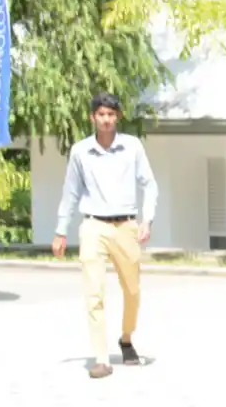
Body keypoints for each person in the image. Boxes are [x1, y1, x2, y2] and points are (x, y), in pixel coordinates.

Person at [51, 92, 159, 379]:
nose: (106, 120)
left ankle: (126, 338)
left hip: (126, 226)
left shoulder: (132, 147)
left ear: (117, 117)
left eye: (111, 114)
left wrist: (146, 220)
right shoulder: (80, 152)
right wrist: (61, 230)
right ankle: (101, 358)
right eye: (101, 114)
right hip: (93, 226)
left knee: (132, 291)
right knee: (94, 293)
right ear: (93, 118)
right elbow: (71, 192)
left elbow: (149, 184)